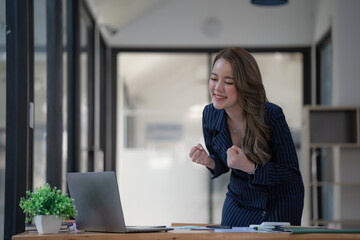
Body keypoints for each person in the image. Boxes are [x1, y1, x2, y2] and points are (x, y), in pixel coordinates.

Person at [189, 47, 304, 227]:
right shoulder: (210, 114)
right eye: (213, 79)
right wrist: (208, 161)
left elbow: (290, 172)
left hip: (277, 199)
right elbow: (224, 163)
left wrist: (250, 167)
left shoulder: (271, 115)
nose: (217, 88)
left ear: (245, 85)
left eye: (228, 82)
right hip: (239, 197)